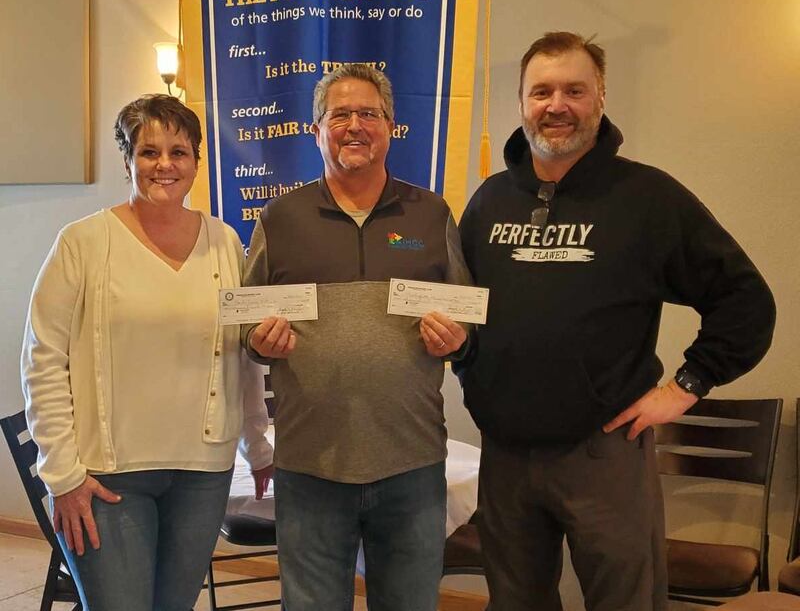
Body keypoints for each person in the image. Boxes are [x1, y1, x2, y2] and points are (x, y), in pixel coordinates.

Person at [455, 32, 775, 611]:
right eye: (541, 91)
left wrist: (684, 388)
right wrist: (464, 361)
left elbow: (746, 300)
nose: (557, 105)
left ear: (600, 95)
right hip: (504, 454)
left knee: (627, 601)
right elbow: (463, 309)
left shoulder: (647, 197)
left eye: (574, 90)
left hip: (603, 449)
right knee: (515, 602)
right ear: (521, 102)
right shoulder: (490, 201)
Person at [21, 94, 273, 611]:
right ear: (128, 159)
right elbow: (43, 361)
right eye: (149, 151)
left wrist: (256, 442)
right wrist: (62, 474)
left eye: (179, 152)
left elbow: (240, 357)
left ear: (197, 163)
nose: (164, 165)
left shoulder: (225, 242)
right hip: (106, 477)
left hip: (203, 473)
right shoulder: (83, 244)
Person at [241, 63, 471, 611]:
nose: (354, 125)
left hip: (410, 462)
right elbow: (247, 324)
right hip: (310, 463)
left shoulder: (430, 214)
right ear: (315, 130)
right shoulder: (280, 217)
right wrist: (259, 340)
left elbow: (465, 320)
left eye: (368, 113)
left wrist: (455, 339)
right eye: (338, 114)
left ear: (391, 126)